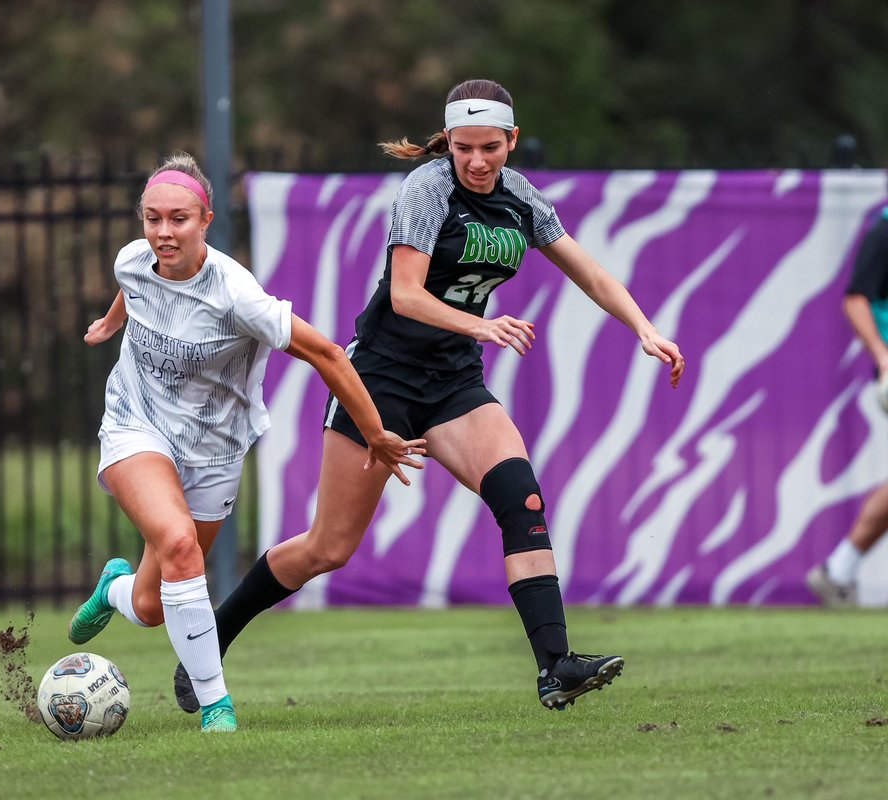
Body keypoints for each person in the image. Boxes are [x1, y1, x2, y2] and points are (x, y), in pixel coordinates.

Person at [170, 78, 686, 715]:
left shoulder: (521, 197)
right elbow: (406, 294)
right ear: (448, 141)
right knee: (327, 548)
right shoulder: (427, 188)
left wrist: (645, 329)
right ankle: (211, 639)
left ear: (512, 140)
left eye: (490, 147)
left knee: (522, 500)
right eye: (464, 147)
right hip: (380, 381)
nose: (477, 161)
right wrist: (481, 325)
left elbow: (592, 273)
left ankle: (555, 666)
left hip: (453, 384)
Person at [67, 152, 425, 733]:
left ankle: (115, 590)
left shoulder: (237, 295)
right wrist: (112, 323)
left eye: (178, 219)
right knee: (180, 545)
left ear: (206, 220)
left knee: (153, 607)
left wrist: (376, 432)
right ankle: (217, 706)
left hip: (215, 450)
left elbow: (329, 354)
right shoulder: (133, 259)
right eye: (152, 219)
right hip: (136, 425)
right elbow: (132, 286)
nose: (163, 233)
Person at [807, 205, 888, 607]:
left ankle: (838, 570)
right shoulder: (885, 230)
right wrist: (883, 357)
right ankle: (838, 569)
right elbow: (856, 299)